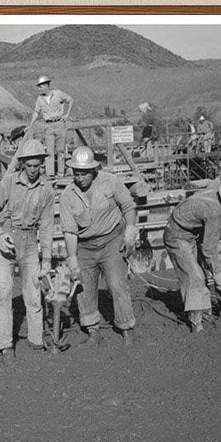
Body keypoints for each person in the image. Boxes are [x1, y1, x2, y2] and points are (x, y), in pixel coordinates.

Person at [58, 145, 137, 345]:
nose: (80, 177)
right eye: (76, 173)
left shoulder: (110, 182)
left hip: (111, 240)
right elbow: (69, 231)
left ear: (94, 170)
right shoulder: (67, 195)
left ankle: (126, 326)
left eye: (84, 173)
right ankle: (92, 329)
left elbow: (128, 205)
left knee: (117, 284)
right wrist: (73, 261)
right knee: (84, 289)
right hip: (84, 246)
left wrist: (129, 233)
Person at [0, 139, 55, 358]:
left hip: (30, 243)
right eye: (29, 165)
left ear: (42, 164)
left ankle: (35, 339)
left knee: (34, 294)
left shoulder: (46, 189)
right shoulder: (9, 183)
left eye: (37, 165)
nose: (33, 170)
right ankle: (5, 344)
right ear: (22, 163)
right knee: (4, 293)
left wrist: (47, 260)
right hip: (8, 240)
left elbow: (46, 226)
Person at [163, 180, 221, 332]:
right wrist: (220, 279)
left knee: (201, 272)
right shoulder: (215, 213)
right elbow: (209, 249)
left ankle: (205, 311)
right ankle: (196, 323)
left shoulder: (216, 188)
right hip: (176, 236)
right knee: (195, 276)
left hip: (190, 233)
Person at [28, 74, 72, 177]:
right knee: (49, 152)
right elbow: (36, 112)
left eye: (41, 86)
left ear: (47, 85)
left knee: (60, 150)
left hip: (60, 124)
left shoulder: (58, 93)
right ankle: (50, 174)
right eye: (39, 86)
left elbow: (70, 100)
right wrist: (31, 125)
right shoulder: (39, 99)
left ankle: (61, 173)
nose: (40, 88)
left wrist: (67, 114)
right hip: (48, 126)